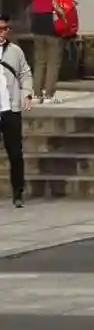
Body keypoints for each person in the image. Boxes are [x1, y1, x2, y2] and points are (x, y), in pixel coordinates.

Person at [26, 0, 89, 104]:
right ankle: (49, 94)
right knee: (53, 62)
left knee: (39, 61)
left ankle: (36, 94)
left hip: (37, 23)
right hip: (54, 22)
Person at [0, 14, 35, 208]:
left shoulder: (15, 51)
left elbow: (25, 74)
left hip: (11, 109)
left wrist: (27, 94)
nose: (2, 32)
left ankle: (18, 192)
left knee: (15, 153)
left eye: (5, 29)